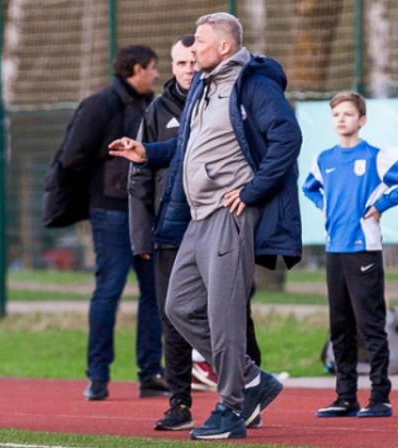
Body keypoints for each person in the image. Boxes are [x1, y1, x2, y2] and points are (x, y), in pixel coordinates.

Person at [109, 12, 303, 440]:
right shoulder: (204, 85)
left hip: (229, 215)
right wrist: (148, 153)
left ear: (225, 47)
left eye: (199, 42)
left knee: (225, 315)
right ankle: (253, 379)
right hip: (195, 217)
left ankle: (233, 407)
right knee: (178, 306)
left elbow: (287, 137)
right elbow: (188, 145)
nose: (192, 50)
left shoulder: (253, 84)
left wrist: (252, 191)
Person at [129, 35, 263, 431]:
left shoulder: (229, 94)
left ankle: (243, 398)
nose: (188, 68)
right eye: (180, 63)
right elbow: (143, 175)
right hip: (174, 228)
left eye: (193, 60)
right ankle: (181, 402)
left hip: (219, 220)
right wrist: (142, 236)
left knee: (232, 315)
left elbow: (275, 142)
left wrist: (253, 191)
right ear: (172, 67)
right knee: (175, 314)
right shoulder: (159, 110)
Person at [58, 44, 168, 401]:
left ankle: (151, 373)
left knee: (154, 292)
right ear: (136, 69)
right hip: (112, 212)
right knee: (109, 289)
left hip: (146, 211)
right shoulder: (100, 104)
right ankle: (98, 375)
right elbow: (72, 156)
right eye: (152, 68)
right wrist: (114, 171)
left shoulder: (153, 105)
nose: (156, 74)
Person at [302, 91, 395, 419]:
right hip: (334, 251)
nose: (341, 119)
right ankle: (346, 396)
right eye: (336, 114)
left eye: (347, 114)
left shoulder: (375, 156)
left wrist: (380, 206)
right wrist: (323, 206)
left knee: (370, 325)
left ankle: (380, 397)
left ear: (362, 120)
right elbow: (309, 187)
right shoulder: (324, 159)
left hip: (363, 250)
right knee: (339, 326)